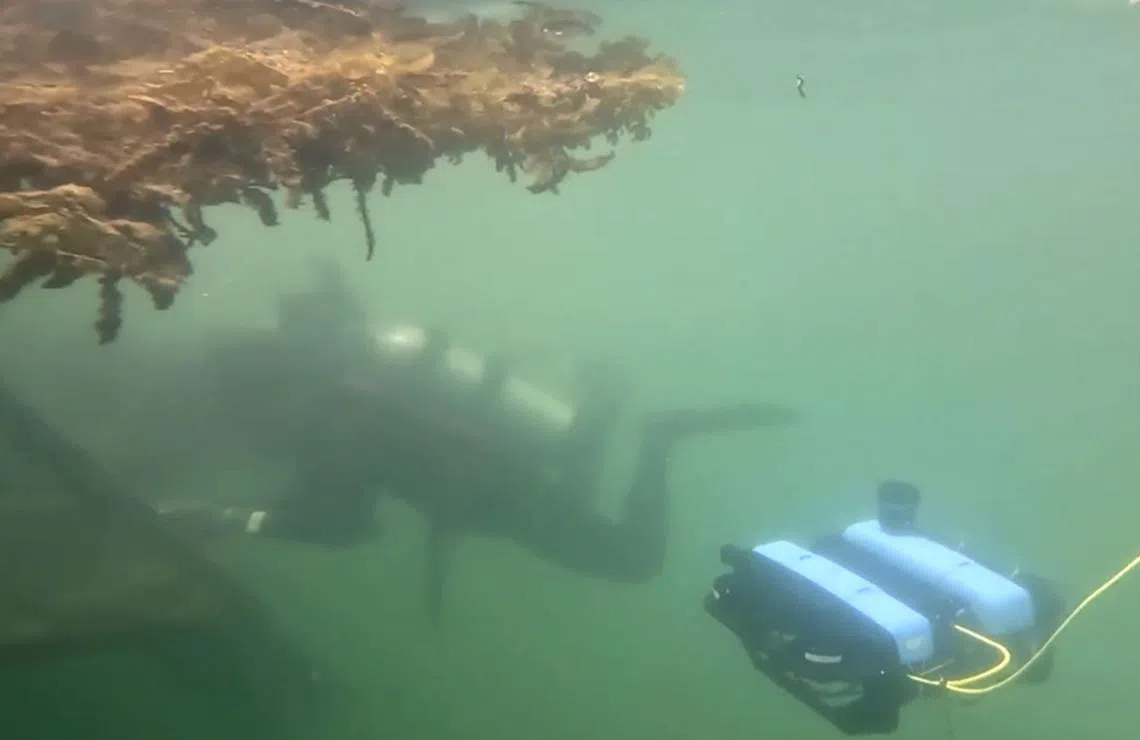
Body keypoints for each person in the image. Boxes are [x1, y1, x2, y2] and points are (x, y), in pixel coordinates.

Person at [163, 269, 797, 623]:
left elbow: (338, 524)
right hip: (500, 479)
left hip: (501, 493)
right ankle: (602, 414)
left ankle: (660, 438)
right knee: (574, 471)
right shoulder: (353, 396)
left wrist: (227, 519)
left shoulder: (336, 423)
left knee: (632, 561)